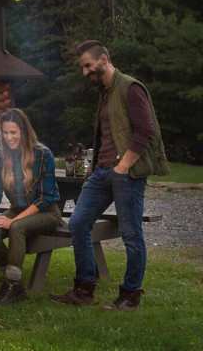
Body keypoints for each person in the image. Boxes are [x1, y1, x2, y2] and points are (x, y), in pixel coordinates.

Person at [50, 40, 170, 310]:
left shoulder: (131, 87)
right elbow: (109, 134)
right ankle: (84, 290)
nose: (85, 72)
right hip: (101, 173)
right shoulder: (104, 92)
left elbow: (145, 132)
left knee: (131, 232)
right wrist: (98, 166)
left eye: (88, 65)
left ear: (103, 58)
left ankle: (129, 295)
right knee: (78, 222)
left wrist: (124, 167)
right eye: (82, 67)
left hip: (126, 173)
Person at [0, 109, 61, 305]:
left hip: (46, 212)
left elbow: (46, 199)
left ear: (24, 132)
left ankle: (12, 286)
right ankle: (14, 280)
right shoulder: (1, 158)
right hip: (19, 210)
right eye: (5, 133)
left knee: (17, 227)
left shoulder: (43, 155)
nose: (9, 137)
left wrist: (13, 221)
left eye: (13, 133)